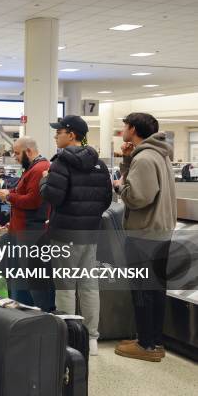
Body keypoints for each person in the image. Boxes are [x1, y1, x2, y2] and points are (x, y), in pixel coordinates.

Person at [39, 115, 112, 356]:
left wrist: (44, 182)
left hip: (64, 234)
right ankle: (91, 339)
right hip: (89, 234)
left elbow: (53, 197)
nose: (55, 135)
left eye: (59, 131)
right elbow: (106, 200)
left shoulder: (61, 162)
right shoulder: (99, 163)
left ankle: (69, 339)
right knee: (89, 285)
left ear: (71, 135)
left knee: (65, 286)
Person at [112, 113, 176, 362]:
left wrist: (119, 188)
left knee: (142, 290)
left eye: (124, 126)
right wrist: (127, 161)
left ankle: (146, 345)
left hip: (144, 234)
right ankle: (152, 340)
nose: (122, 131)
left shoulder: (146, 158)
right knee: (155, 289)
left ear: (133, 129)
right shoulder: (157, 154)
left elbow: (139, 197)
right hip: (159, 232)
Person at [0, 136, 53, 311]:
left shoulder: (39, 168)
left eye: (17, 153)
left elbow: (33, 201)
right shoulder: (31, 168)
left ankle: (40, 314)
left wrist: (8, 196)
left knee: (33, 280)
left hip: (30, 232)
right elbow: (24, 192)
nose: (15, 156)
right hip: (23, 231)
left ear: (29, 151)